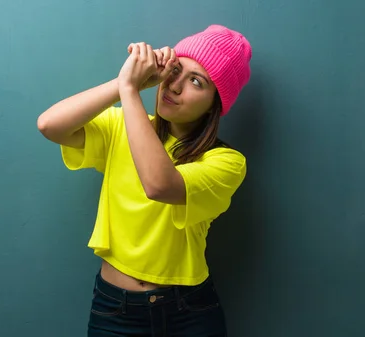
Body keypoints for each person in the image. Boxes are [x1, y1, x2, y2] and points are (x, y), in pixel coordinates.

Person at [37, 24, 251, 336]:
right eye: (175, 70)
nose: (174, 86)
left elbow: (160, 185)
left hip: (188, 312)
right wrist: (125, 83)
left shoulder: (226, 162)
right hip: (115, 310)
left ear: (215, 105)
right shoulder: (121, 126)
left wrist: (130, 92)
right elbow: (49, 125)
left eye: (196, 81)